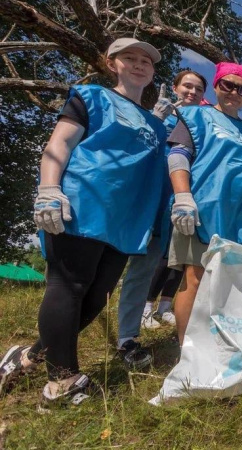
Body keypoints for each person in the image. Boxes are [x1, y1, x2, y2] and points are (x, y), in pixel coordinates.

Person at [0, 38, 168, 403]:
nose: (139, 65)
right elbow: (60, 143)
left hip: (126, 219)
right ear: (112, 64)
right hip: (83, 202)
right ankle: (61, 381)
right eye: (130, 58)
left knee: (95, 299)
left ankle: (26, 357)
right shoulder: (91, 97)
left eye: (146, 61)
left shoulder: (156, 127)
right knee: (69, 286)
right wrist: (48, 187)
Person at [167, 61, 242, 345]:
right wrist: (182, 196)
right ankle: (187, 352)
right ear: (215, 86)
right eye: (227, 85)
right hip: (204, 209)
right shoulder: (195, 116)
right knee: (196, 280)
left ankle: (231, 347)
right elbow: (178, 156)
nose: (234, 93)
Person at [115, 70, 207, 369]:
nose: (191, 92)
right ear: (176, 87)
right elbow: (137, 150)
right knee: (140, 267)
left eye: (198, 88)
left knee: (176, 265)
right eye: (186, 86)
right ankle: (127, 336)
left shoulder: (205, 123)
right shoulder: (160, 117)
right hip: (153, 200)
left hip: (187, 205)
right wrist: (154, 118)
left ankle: (161, 316)